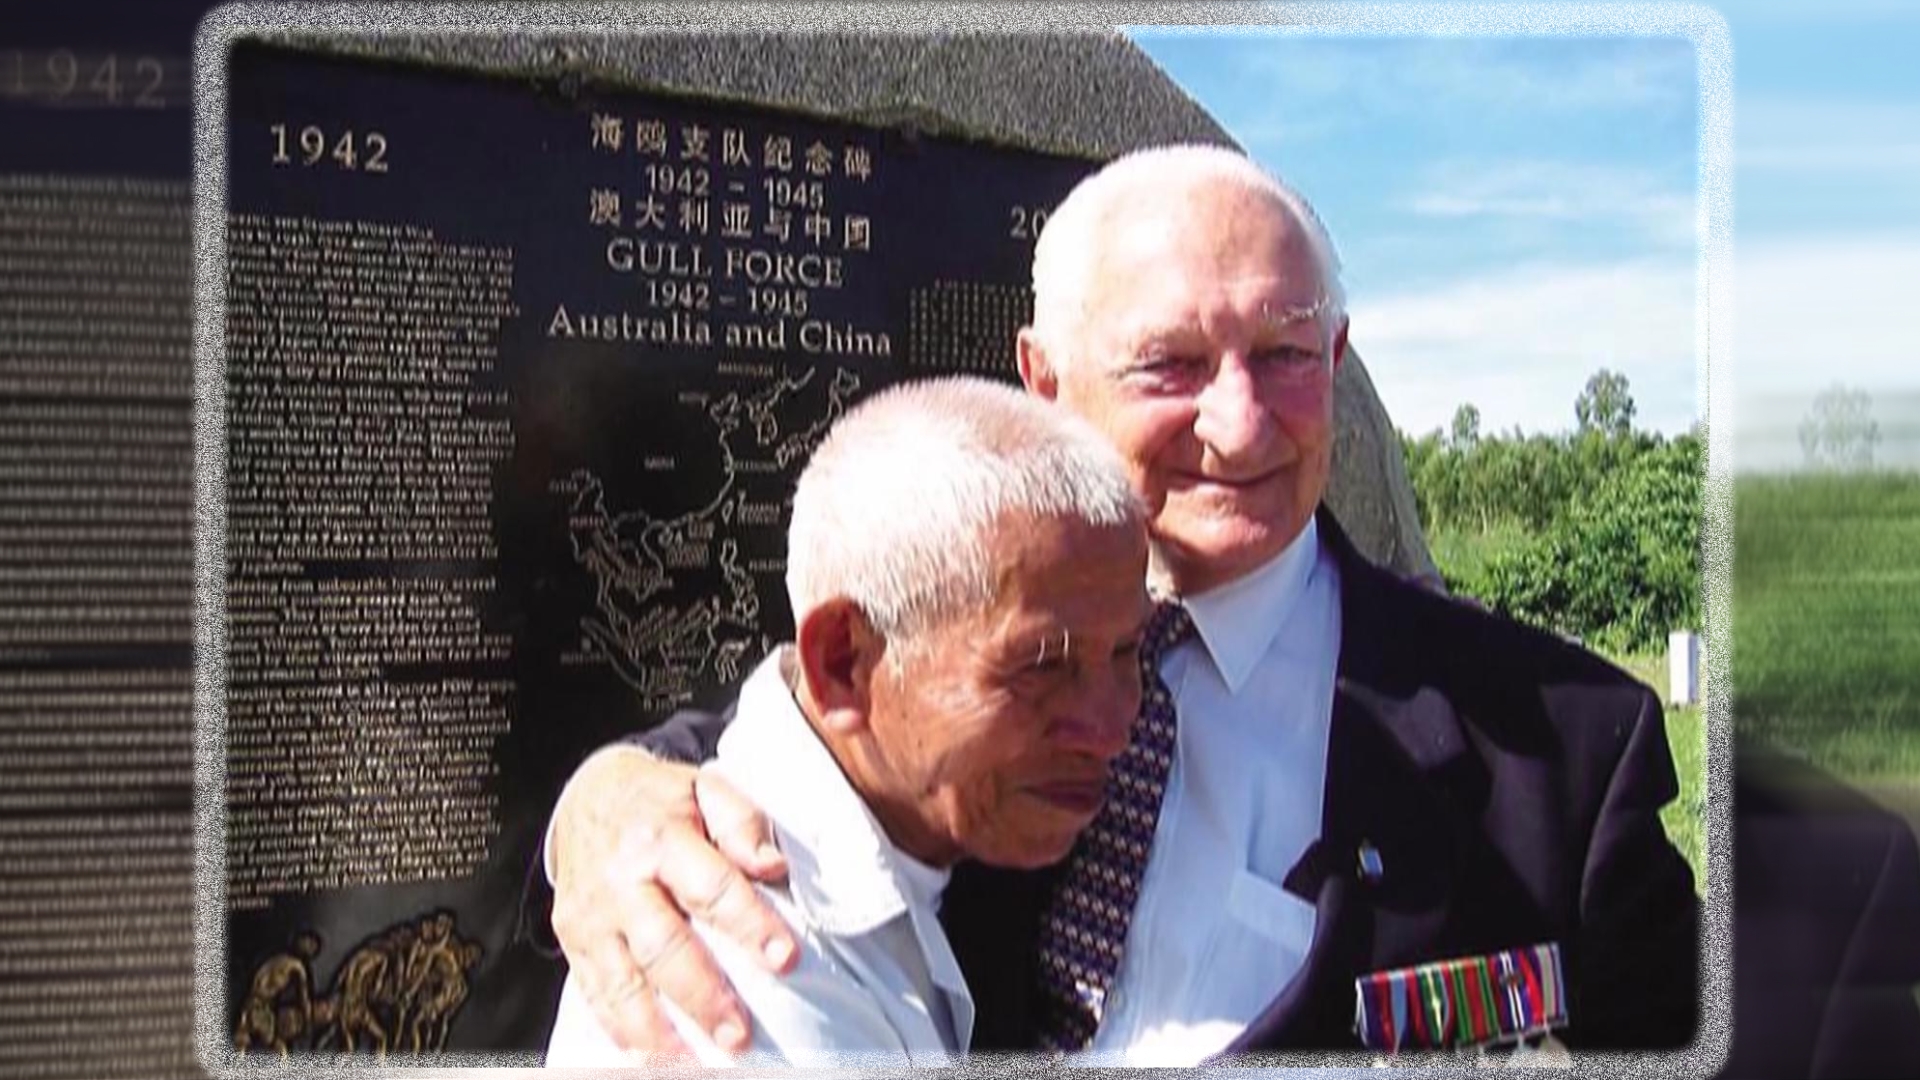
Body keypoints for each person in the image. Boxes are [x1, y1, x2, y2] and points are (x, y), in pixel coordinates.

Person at [533, 144, 1700, 1063]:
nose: (1240, 424)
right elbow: (805, 742)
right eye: (1171, 365)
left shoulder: (1562, 749)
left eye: (1288, 355)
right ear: (1045, 379)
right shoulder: (927, 649)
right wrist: (595, 800)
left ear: (1337, 357)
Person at [544, 377, 1153, 1066]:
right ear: (842, 662)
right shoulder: (741, 974)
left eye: (1131, 651)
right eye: (1041, 665)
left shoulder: (936, 824)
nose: (1111, 727)